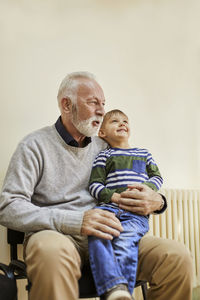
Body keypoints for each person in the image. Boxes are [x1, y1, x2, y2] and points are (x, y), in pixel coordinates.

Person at [0, 72, 193, 300]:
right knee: (50, 253)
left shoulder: (108, 147)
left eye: (103, 103)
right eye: (93, 102)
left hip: (113, 234)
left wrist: (158, 201)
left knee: (176, 257)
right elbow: (8, 207)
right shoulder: (34, 145)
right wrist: (75, 221)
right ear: (66, 104)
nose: (102, 111)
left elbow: (141, 183)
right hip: (57, 235)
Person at [88, 109, 163, 300]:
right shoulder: (104, 156)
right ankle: (112, 289)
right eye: (114, 121)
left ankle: (121, 294)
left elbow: (157, 177)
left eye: (125, 121)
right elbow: (95, 185)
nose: (122, 124)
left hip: (135, 214)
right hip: (108, 209)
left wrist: (143, 188)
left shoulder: (144, 154)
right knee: (97, 235)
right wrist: (114, 197)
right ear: (102, 133)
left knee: (125, 242)